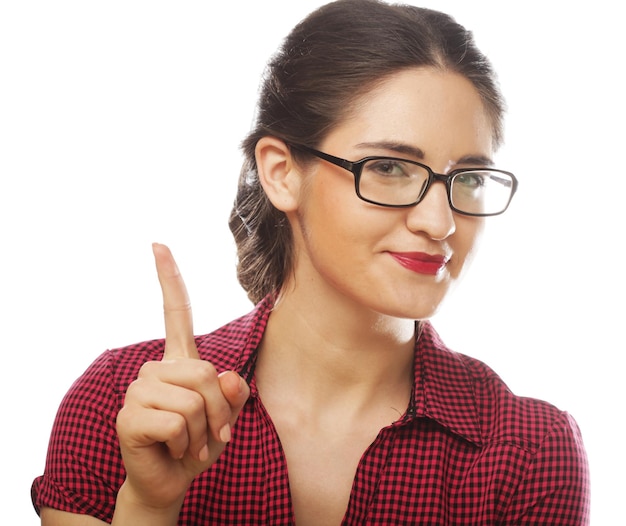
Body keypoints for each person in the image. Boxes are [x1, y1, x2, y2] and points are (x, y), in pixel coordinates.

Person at [32, 0, 590, 524]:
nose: (439, 223)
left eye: (466, 178)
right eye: (390, 168)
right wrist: (150, 505)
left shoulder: (529, 450)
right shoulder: (122, 405)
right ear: (281, 172)